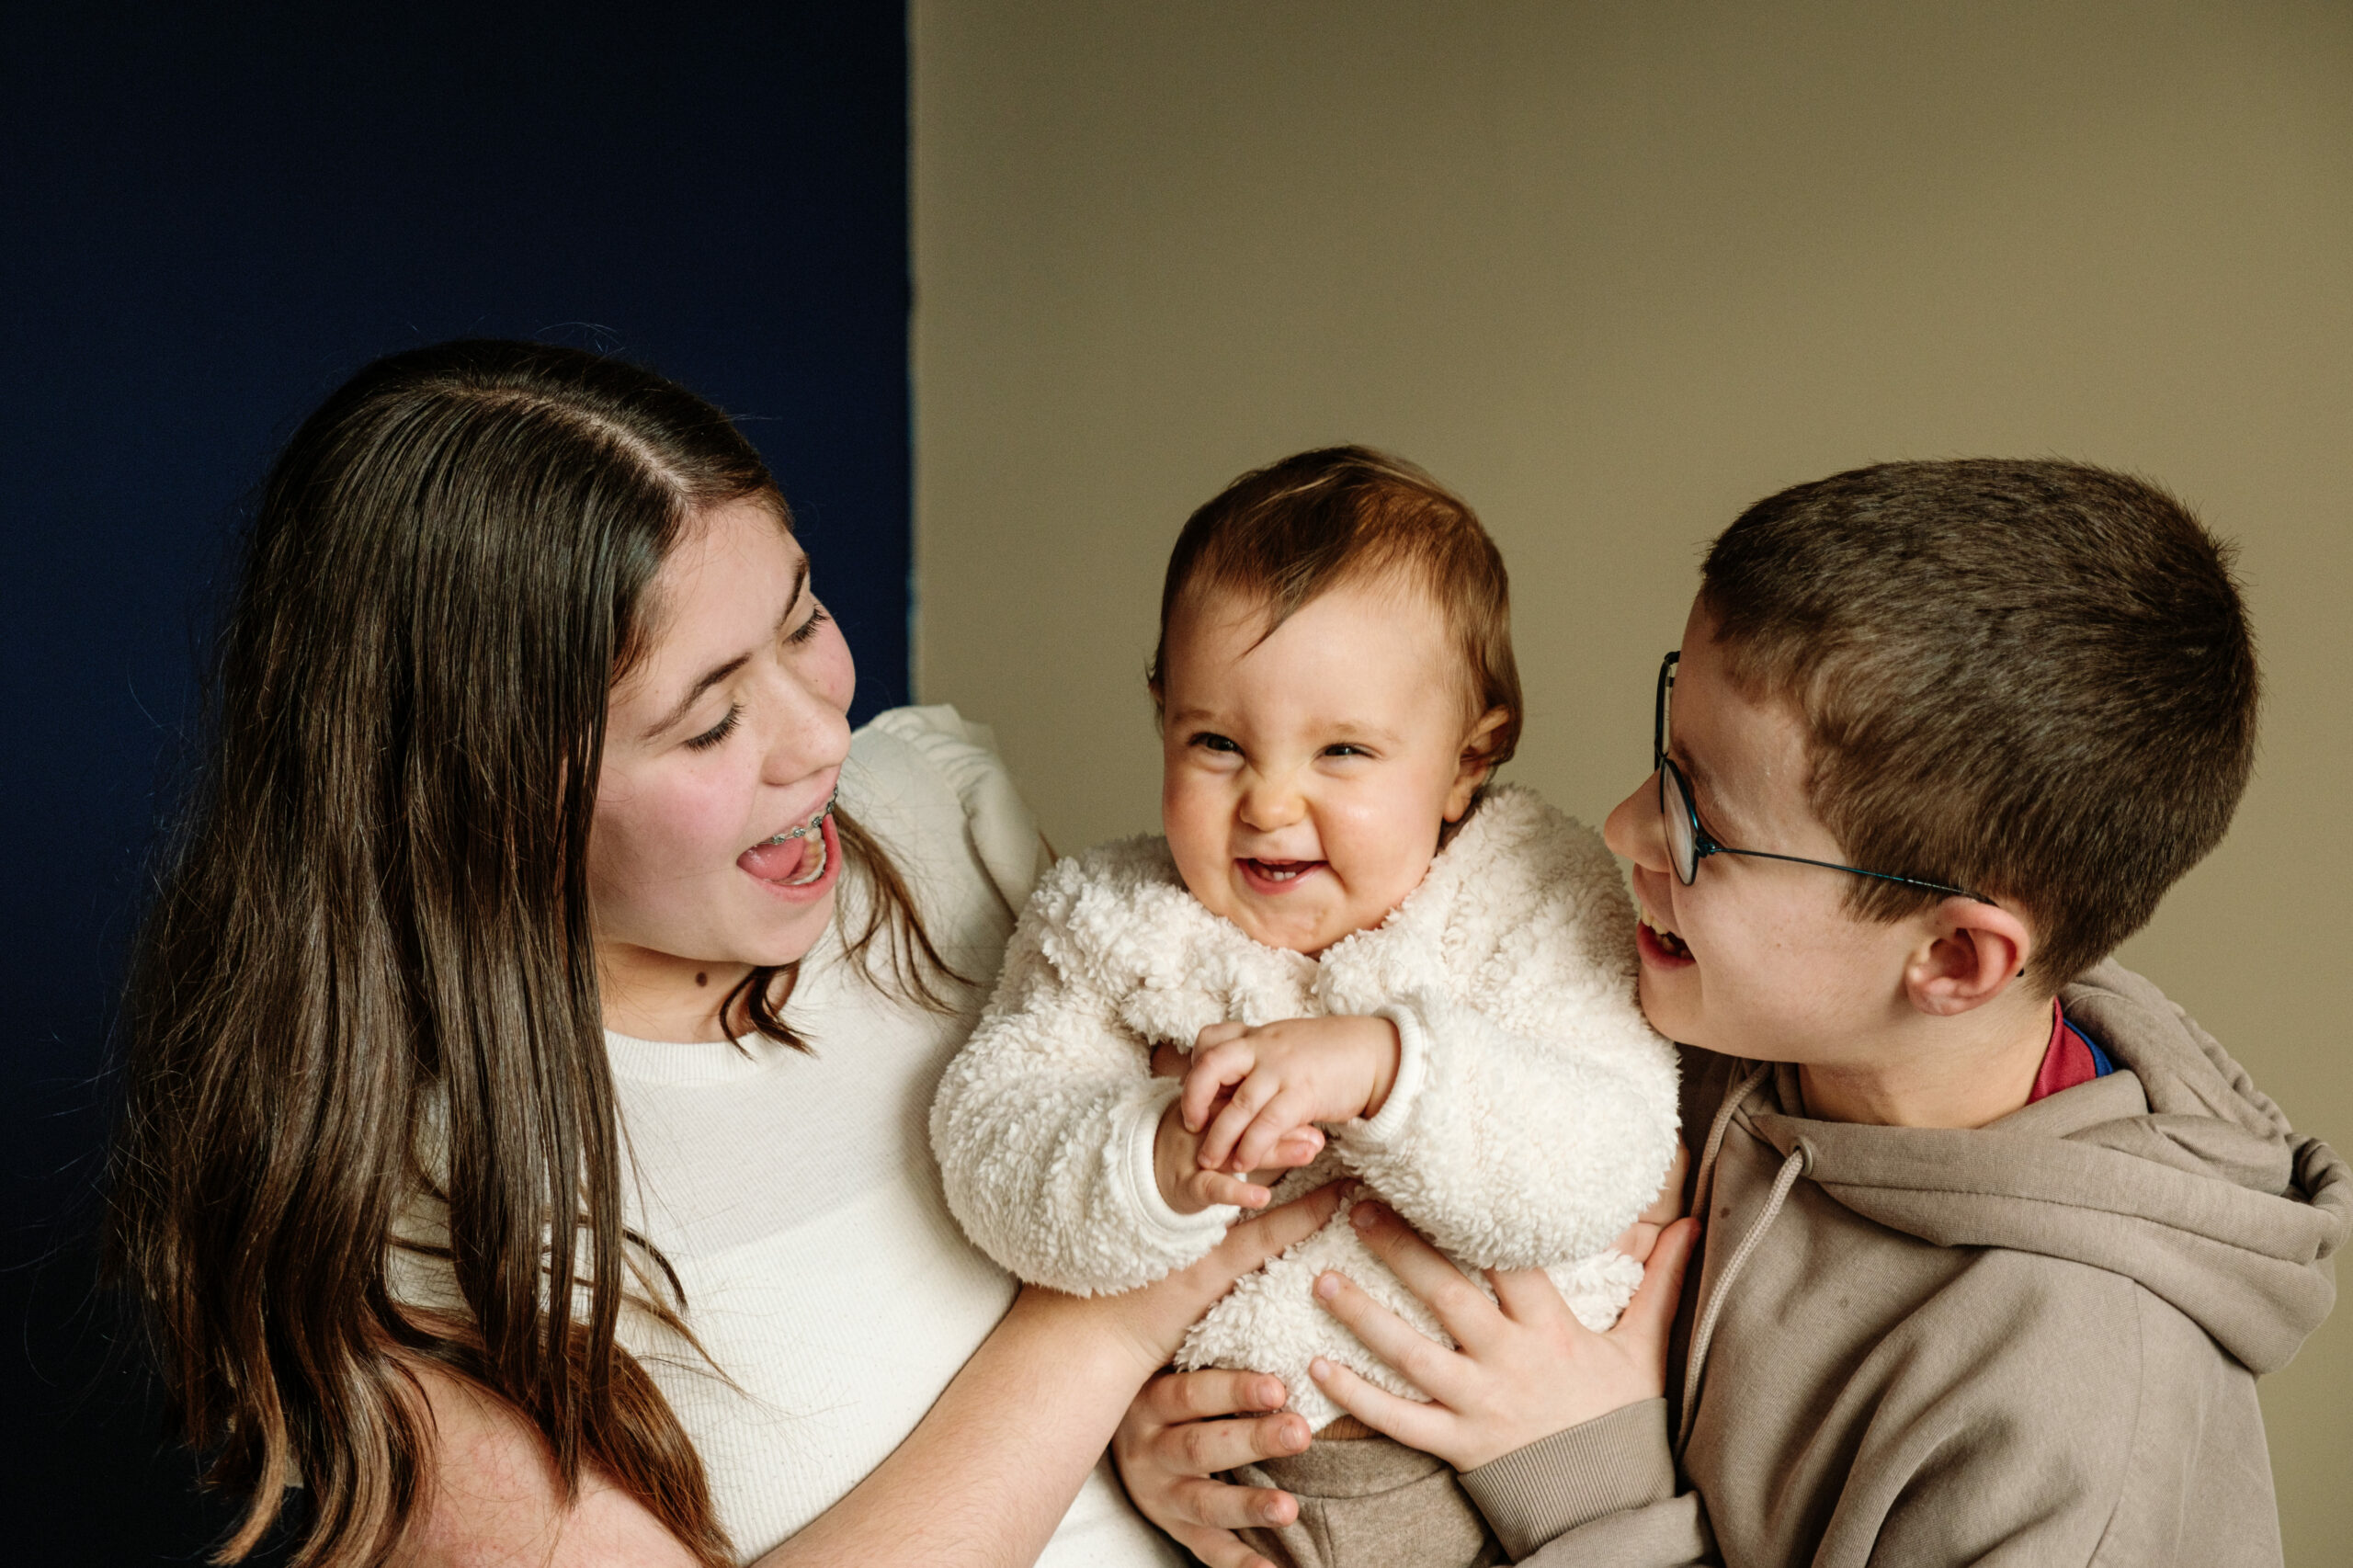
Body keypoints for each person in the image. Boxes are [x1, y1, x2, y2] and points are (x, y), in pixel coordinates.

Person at [104, 339, 1344, 1568]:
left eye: (802, 619)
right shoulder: (396, 1228)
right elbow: (1135, 1281)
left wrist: (1171, 1435)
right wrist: (1108, 1328)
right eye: (707, 723)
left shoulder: (942, 815)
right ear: (485, 800)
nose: (821, 736)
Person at [1134, 458, 2350, 1567]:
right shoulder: (1680, 1020)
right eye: (1667, 759)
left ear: (1957, 957)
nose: (1623, 830)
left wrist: (1588, 1478)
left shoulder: (2074, 1427)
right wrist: (1164, 1436)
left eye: (1704, 822)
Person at [932, 447, 1681, 1568]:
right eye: (1216, 743)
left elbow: (1607, 1157)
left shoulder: (1530, 891)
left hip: (1497, 1485)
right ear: (1161, 717)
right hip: (1236, 1483)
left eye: (1342, 750)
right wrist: (1151, 1153)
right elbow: (989, 1142)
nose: (1269, 802)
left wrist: (1392, 1066)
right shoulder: (1112, 919)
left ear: (1470, 757)